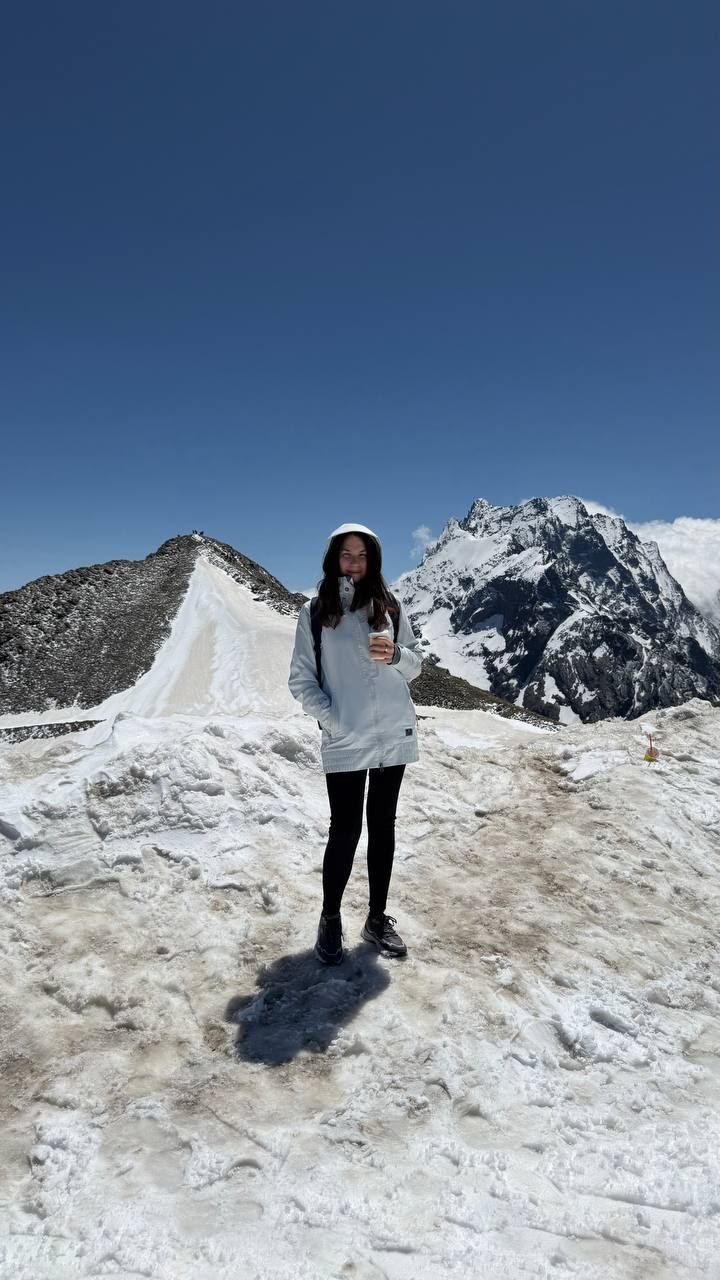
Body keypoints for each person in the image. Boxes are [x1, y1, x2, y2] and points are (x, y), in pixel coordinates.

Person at [288, 522, 422, 964]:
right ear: (333, 558)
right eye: (347, 554)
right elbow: (301, 680)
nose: (354, 563)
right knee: (345, 830)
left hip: (393, 732)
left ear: (373, 560)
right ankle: (330, 919)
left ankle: (376, 918)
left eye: (362, 555)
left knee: (383, 827)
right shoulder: (314, 612)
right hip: (346, 738)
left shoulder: (390, 606)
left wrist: (397, 656)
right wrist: (334, 721)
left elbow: (416, 665)